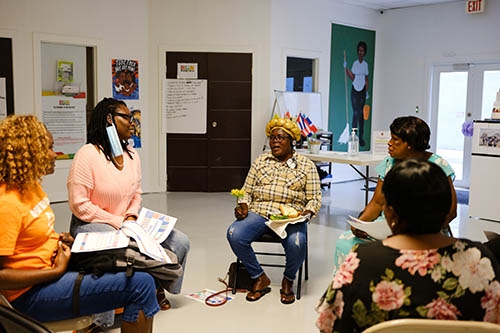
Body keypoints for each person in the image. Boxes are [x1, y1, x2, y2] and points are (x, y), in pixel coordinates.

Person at [0, 115, 158, 332]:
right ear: (27, 153)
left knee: (132, 262)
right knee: (141, 285)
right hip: (30, 294)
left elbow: (29, 239)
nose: (53, 154)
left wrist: (60, 240)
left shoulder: (30, 187)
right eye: (47, 148)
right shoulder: (6, 203)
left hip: (53, 268)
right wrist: (54, 272)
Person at [316, 160, 500, 332]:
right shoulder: (479, 258)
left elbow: (330, 326)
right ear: (447, 209)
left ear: (390, 213)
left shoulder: (361, 262)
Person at [67, 98, 190, 317]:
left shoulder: (132, 155)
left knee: (179, 240)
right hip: (91, 224)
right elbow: (80, 205)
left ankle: (157, 288)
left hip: (128, 221)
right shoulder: (86, 155)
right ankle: (100, 317)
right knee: (119, 245)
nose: (132, 122)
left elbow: (137, 193)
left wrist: (132, 216)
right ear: (109, 119)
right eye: (127, 117)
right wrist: (117, 223)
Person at [333, 116, 457, 272]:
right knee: (345, 242)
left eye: (395, 139)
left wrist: (419, 233)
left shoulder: (438, 166)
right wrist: (361, 223)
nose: (389, 143)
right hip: (389, 226)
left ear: (410, 144)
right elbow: (377, 202)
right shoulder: (389, 163)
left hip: (427, 230)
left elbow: (451, 211)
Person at [226, 117, 322, 304]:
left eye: (280, 138)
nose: (275, 141)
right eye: (272, 138)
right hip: (259, 212)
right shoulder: (261, 160)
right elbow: (246, 190)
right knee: (234, 233)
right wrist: (243, 204)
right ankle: (259, 277)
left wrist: (307, 213)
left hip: (289, 217)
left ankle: (288, 279)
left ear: (292, 141)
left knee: (297, 242)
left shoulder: (306, 165)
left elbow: (315, 198)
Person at [344, 41, 369, 146]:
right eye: (359, 50)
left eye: (362, 50)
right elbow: (352, 77)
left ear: (364, 52)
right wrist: (346, 69)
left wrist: (367, 91)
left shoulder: (365, 65)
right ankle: (354, 136)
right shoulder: (355, 63)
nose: (360, 52)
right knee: (355, 113)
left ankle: (361, 138)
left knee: (361, 114)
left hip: (362, 89)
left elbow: (367, 78)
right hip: (355, 89)